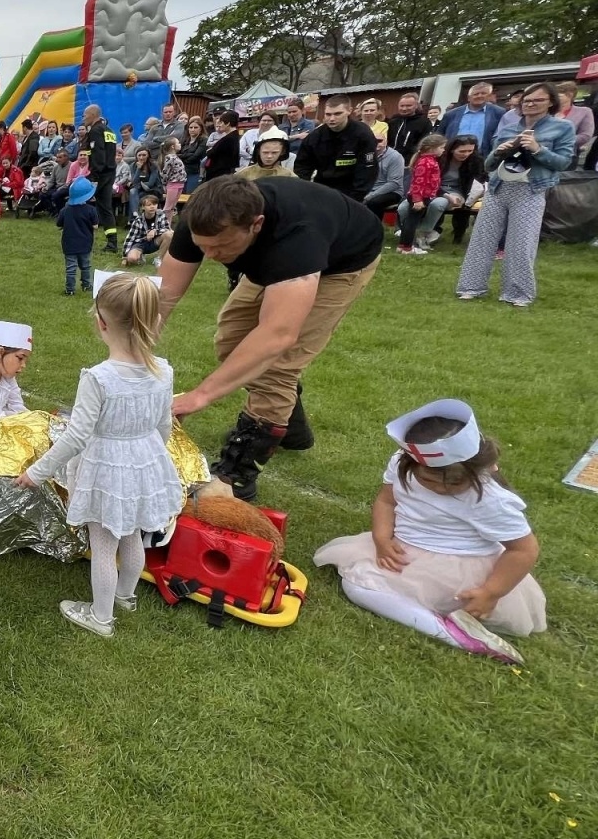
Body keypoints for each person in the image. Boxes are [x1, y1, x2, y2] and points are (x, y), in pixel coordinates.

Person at [160, 176, 384, 500]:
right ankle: (290, 426)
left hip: (343, 262)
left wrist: (200, 396)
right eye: (202, 245)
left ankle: (236, 477)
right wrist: (131, 350)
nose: (209, 255)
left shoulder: (296, 237)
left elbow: (278, 335)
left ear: (256, 224)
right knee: (232, 341)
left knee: (276, 365)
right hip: (279, 259)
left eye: (221, 246)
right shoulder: (200, 218)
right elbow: (162, 298)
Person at [313, 399, 544, 665]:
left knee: (358, 586)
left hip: (458, 569)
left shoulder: (489, 499)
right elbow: (386, 501)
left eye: (452, 483)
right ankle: (451, 630)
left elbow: (524, 549)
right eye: (428, 480)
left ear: (476, 471)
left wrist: (491, 592)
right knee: (354, 584)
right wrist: (381, 538)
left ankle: (452, 632)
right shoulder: (402, 464)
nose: (437, 488)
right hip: (406, 548)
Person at [17, 275, 183, 638]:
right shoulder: (163, 371)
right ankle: (126, 596)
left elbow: (76, 435)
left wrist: (37, 472)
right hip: (144, 464)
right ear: (154, 320)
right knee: (134, 536)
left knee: (105, 545)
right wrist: (154, 464)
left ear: (101, 322)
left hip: (108, 469)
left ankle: (101, 617)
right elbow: (164, 427)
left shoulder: (99, 378)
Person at [455, 81, 576, 308]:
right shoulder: (509, 127)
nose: (530, 104)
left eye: (537, 100)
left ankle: (517, 293)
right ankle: (471, 287)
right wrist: (499, 152)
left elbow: (563, 162)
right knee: (482, 239)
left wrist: (538, 149)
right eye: (527, 100)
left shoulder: (562, 128)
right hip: (500, 186)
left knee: (521, 243)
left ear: (550, 102)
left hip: (530, 189)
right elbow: (489, 164)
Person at [294, 95, 378, 200]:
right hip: (322, 187)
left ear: (349, 111)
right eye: (328, 114)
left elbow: (368, 170)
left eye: (337, 114)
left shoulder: (363, 134)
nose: (332, 118)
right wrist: (305, 191)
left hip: (352, 190)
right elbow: (302, 167)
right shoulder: (315, 137)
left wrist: (354, 198)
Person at [395, 134, 447, 254]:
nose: (443, 150)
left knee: (410, 221)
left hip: (424, 196)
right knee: (411, 222)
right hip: (420, 197)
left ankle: (402, 246)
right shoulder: (426, 162)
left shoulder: (429, 160)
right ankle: (407, 247)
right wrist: (417, 199)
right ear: (432, 147)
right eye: (441, 147)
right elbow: (418, 182)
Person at [80, 105, 119, 253]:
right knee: (105, 208)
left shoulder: (95, 131)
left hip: (100, 174)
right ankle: (112, 242)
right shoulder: (109, 131)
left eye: (85, 115)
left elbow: (98, 155)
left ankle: (80, 238)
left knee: (81, 203)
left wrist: (94, 177)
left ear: (93, 115)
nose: (83, 118)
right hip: (110, 173)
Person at [57, 175, 97, 295]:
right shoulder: (91, 210)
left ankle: (70, 290)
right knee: (85, 265)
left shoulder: (65, 210)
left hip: (69, 243)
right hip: (85, 243)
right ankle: (86, 285)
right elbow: (95, 226)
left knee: (71, 267)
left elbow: (59, 224)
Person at [440, 81, 504, 150]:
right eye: (476, 94)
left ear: (489, 96)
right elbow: (440, 135)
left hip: (483, 155)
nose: (479, 96)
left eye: (483, 93)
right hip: (453, 155)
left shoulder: (498, 113)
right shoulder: (451, 114)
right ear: (468, 98)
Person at [122, 194, 171, 266]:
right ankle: (140, 256)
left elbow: (167, 229)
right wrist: (125, 255)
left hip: (155, 241)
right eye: (149, 205)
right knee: (132, 259)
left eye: (154, 204)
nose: (152, 207)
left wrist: (155, 231)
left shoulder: (161, 215)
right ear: (143, 207)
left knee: (169, 234)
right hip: (140, 243)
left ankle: (159, 259)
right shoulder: (138, 220)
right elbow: (130, 238)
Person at [553, 80, 594, 165]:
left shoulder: (584, 111)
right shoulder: (547, 111)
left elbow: (585, 135)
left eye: (560, 93)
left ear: (570, 95)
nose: (556, 96)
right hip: (542, 153)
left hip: (568, 154)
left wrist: (561, 141)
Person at [363, 134, 405, 216]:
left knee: (374, 202)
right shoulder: (366, 154)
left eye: (379, 141)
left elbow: (394, 183)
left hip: (392, 191)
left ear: (386, 142)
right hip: (369, 189)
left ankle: (374, 227)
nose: (376, 143)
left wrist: (370, 196)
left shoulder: (395, 157)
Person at [385, 92, 433, 163]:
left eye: (408, 106)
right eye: (402, 106)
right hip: (389, 159)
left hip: (410, 162)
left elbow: (424, 144)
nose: (404, 108)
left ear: (416, 106)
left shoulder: (424, 123)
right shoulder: (393, 121)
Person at [202, 110, 242, 182]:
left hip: (219, 175)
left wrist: (210, 151)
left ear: (228, 123)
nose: (219, 125)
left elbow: (212, 153)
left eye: (221, 122)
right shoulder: (232, 137)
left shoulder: (229, 139)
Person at [128, 146, 163, 217]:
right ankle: (135, 213)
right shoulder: (133, 165)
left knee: (135, 196)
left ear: (148, 156)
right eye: (139, 155)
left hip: (153, 189)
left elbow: (150, 183)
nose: (141, 157)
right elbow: (134, 181)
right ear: (136, 156)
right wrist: (138, 169)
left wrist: (139, 183)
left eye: (144, 155)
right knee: (132, 191)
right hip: (139, 189)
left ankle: (133, 218)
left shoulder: (153, 165)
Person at [178, 116, 208, 193]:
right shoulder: (184, 140)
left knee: (190, 194)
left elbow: (195, 156)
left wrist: (182, 156)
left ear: (200, 128)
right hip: (182, 172)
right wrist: (189, 154)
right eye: (190, 127)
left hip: (195, 172)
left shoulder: (204, 140)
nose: (192, 129)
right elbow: (176, 154)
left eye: (195, 127)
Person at [281, 98, 316, 163]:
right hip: (284, 160)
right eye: (289, 112)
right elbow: (279, 141)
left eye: (294, 111)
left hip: (302, 160)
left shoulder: (309, 124)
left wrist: (287, 138)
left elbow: (301, 144)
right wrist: (297, 136)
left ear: (302, 111)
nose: (291, 114)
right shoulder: (282, 127)